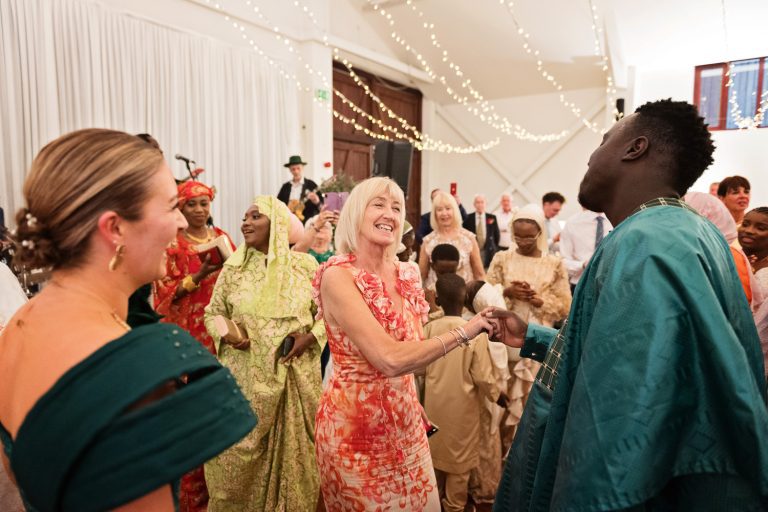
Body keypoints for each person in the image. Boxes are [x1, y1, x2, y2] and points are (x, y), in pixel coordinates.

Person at [493, 99, 768, 511]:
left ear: (634, 148)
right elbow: (642, 362)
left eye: (604, 141)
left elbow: (617, 440)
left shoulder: (648, 244)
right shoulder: (681, 231)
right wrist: (534, 338)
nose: (590, 155)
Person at [0, 128, 255, 512]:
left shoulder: (18, 326)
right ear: (115, 228)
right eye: (171, 207)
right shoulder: (130, 371)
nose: (183, 224)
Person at [312, 177, 497, 511]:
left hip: (407, 424)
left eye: (396, 207)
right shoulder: (337, 276)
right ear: (356, 212)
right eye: (378, 204)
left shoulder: (408, 273)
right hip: (355, 433)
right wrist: (463, 332)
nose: (390, 213)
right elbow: (389, 359)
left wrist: (411, 399)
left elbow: (418, 359)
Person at [204, 195, 325, 512]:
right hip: (242, 381)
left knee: (296, 463)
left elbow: (330, 315)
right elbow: (211, 314)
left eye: (255, 216)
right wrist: (228, 334)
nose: (245, 222)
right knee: (232, 462)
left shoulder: (305, 266)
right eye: (244, 217)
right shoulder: (234, 269)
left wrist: (310, 337)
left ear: (278, 224)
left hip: (292, 381)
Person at [151, 179, 234, 511]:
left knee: (221, 414)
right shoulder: (171, 247)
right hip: (186, 339)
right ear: (181, 210)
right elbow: (163, 298)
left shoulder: (223, 238)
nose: (199, 210)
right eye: (191, 205)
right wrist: (199, 275)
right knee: (190, 419)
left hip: (222, 336)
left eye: (204, 203)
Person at [422, 273, 498, 512]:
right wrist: (497, 394)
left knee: (434, 469)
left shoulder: (429, 329)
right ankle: (454, 507)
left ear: (436, 299)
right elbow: (484, 376)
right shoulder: (473, 332)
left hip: (433, 409)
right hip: (462, 416)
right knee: (459, 471)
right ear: (465, 298)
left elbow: (419, 368)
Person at [419, 191, 485, 291]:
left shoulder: (469, 238)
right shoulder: (427, 241)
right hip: (435, 300)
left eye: (448, 209)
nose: (444, 213)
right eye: (439, 209)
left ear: (455, 211)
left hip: (464, 299)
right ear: (434, 214)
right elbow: (421, 276)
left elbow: (479, 274)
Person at [559, 209, 613, 292]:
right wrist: (582, 265)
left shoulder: (618, 220)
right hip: (580, 284)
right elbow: (563, 261)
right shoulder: (573, 222)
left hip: (609, 285)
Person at [277, 155, 323, 223]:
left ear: (302, 168)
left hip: (307, 223)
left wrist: (317, 201)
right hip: (288, 222)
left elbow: (322, 208)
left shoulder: (311, 185)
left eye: (298, 168)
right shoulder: (285, 187)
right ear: (290, 170)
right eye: (293, 169)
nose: (296, 171)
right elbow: (278, 205)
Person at [463, 194, 500, 268]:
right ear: (474, 204)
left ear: (485, 204)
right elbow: (464, 236)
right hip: (473, 250)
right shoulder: (468, 218)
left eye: (482, 202)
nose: (480, 205)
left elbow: (496, 235)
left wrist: (493, 246)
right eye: (477, 202)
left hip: (488, 251)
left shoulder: (492, 218)